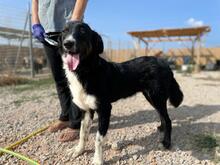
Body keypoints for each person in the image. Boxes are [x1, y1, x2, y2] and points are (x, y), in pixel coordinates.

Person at [32, 0, 88, 142]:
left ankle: (76, 123)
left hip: (69, 26)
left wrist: (74, 22)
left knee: (75, 78)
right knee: (59, 78)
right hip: (47, 30)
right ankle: (65, 116)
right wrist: (35, 21)